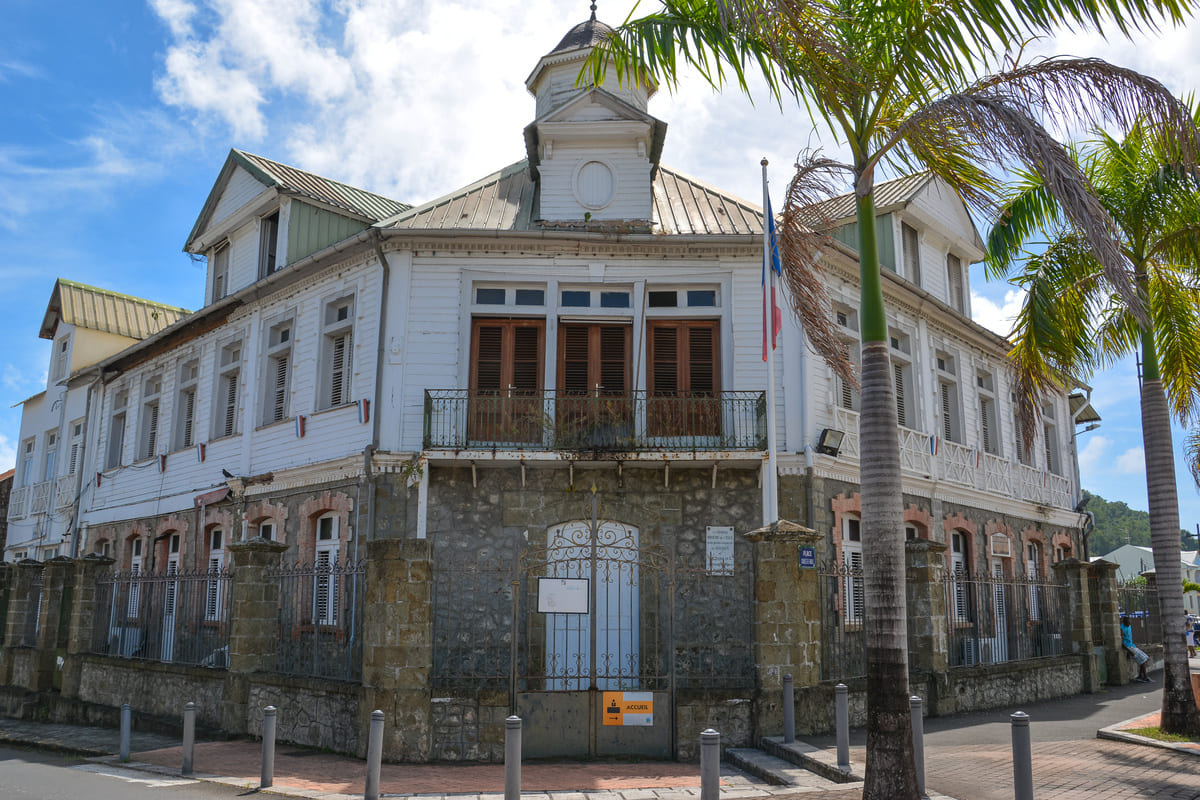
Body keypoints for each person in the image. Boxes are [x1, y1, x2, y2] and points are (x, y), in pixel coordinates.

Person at [1121, 615, 1151, 682]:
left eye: (1130, 621)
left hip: (1132, 645)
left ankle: (1140, 676)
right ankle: (1145, 677)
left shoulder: (1129, 626)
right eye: (1128, 622)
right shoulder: (1122, 628)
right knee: (1143, 660)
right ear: (1124, 622)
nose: (1129, 623)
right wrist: (1129, 651)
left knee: (1146, 658)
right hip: (1128, 647)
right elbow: (1121, 642)